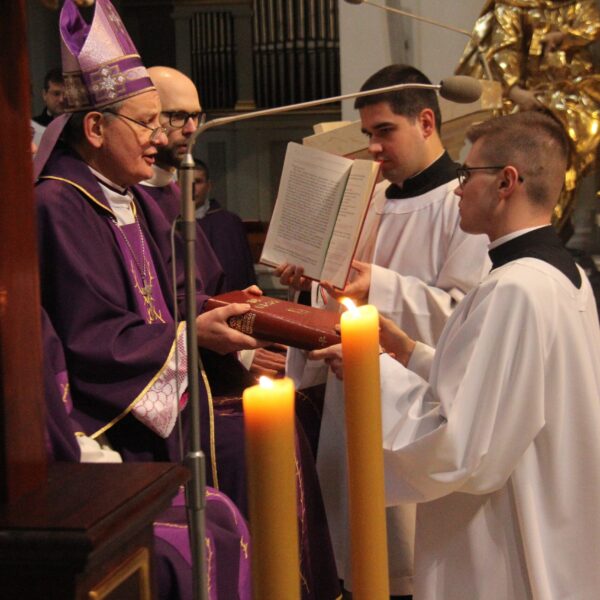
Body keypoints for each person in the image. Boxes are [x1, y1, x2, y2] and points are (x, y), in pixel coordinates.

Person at [315, 110, 600, 600]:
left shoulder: (515, 289)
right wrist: (408, 352)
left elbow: (459, 448)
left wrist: (368, 369)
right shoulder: (560, 275)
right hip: (554, 515)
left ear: (506, 182)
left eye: (467, 175)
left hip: (506, 539)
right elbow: (499, 393)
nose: (457, 189)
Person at [278, 64, 491, 598]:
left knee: (408, 559)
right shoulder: (367, 201)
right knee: (357, 559)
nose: (373, 147)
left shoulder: (464, 203)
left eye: (384, 131)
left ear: (426, 122)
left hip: (418, 406)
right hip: (349, 396)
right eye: (368, 133)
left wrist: (381, 285)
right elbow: (339, 293)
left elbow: (466, 315)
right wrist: (310, 283)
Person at [142, 65, 285, 378]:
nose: (192, 128)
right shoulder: (133, 198)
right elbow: (162, 305)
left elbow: (203, 287)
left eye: (197, 116)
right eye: (177, 116)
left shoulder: (170, 191)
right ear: (145, 117)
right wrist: (239, 351)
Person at [456, 0, 600, 237]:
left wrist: (566, 37)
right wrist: (515, 91)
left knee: (584, 130)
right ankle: (537, 224)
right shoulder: (512, 4)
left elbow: (590, 25)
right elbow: (503, 49)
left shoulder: (581, 3)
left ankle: (566, 223)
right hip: (524, 95)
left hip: (574, 91)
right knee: (518, 142)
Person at [193, 159, 257, 292]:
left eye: (198, 181)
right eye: (186, 182)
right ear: (177, 184)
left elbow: (242, 272)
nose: (192, 188)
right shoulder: (170, 223)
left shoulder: (230, 223)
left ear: (209, 185)